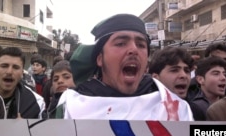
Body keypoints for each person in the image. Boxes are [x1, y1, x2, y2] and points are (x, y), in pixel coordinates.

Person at [56, 14, 193, 120]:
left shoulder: (176, 107)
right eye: (121, 43)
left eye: (141, 45)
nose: (133, 49)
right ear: (100, 59)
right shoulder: (71, 106)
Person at [0, 47, 45, 119]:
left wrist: (25, 128)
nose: (9, 72)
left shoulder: (36, 102)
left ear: (22, 72)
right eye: (4, 66)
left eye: (15, 67)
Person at [188, 56, 226, 120]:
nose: (223, 78)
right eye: (216, 74)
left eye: (224, 74)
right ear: (200, 80)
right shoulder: (194, 108)